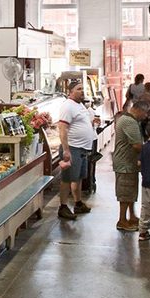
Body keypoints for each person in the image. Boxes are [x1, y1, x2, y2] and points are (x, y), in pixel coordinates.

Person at [56, 81, 96, 220]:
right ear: (70, 91)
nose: (82, 91)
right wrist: (66, 150)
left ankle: (78, 203)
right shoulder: (67, 106)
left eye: (83, 89)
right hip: (72, 148)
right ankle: (63, 206)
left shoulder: (79, 105)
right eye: (79, 89)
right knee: (67, 179)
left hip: (82, 149)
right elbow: (62, 128)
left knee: (78, 178)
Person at [112, 103, 144, 232]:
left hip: (129, 163)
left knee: (131, 191)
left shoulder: (127, 119)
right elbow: (136, 145)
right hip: (125, 163)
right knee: (125, 193)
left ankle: (131, 215)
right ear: (138, 110)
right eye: (145, 113)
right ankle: (122, 220)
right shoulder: (129, 122)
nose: (145, 116)